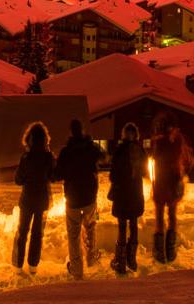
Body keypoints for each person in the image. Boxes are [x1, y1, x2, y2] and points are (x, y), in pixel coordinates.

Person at [54, 119, 105, 279]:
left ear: (71, 132)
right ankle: (91, 258)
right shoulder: (90, 147)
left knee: (73, 235)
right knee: (90, 228)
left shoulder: (66, 152)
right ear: (82, 130)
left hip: (73, 198)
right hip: (89, 196)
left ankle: (77, 269)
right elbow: (103, 156)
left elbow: (57, 174)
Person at [150, 112, 194, 264]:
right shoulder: (179, 140)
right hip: (174, 181)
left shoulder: (158, 141)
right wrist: (182, 172)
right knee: (172, 214)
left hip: (161, 181)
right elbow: (189, 159)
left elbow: (154, 158)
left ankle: (159, 251)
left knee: (159, 214)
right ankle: (170, 249)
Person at [12, 122, 55, 274]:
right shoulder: (48, 157)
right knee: (37, 233)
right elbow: (53, 176)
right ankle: (33, 265)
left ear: (29, 139)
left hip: (27, 199)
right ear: (44, 139)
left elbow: (18, 180)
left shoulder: (26, 158)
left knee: (22, 231)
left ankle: (18, 265)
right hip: (42, 200)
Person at [107, 122, 147, 274]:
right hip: (135, 193)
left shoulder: (119, 150)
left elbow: (112, 175)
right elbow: (144, 172)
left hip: (122, 193)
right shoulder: (140, 150)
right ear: (136, 135)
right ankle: (132, 260)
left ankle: (121, 262)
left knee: (122, 226)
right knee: (134, 224)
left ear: (124, 134)